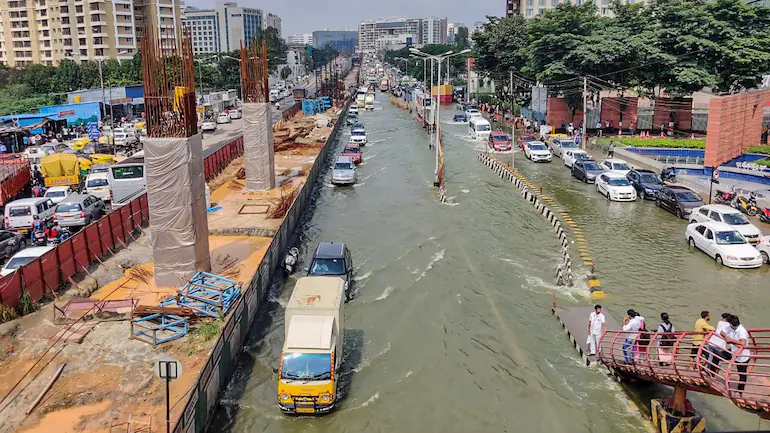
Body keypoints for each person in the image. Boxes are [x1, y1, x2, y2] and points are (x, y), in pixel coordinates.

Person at [724, 315, 750, 396]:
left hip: (742, 357)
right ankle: (711, 371)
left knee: (742, 375)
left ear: (732, 324)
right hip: (733, 352)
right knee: (718, 353)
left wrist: (731, 340)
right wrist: (726, 336)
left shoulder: (741, 331)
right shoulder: (731, 328)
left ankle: (740, 392)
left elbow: (743, 343)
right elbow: (722, 331)